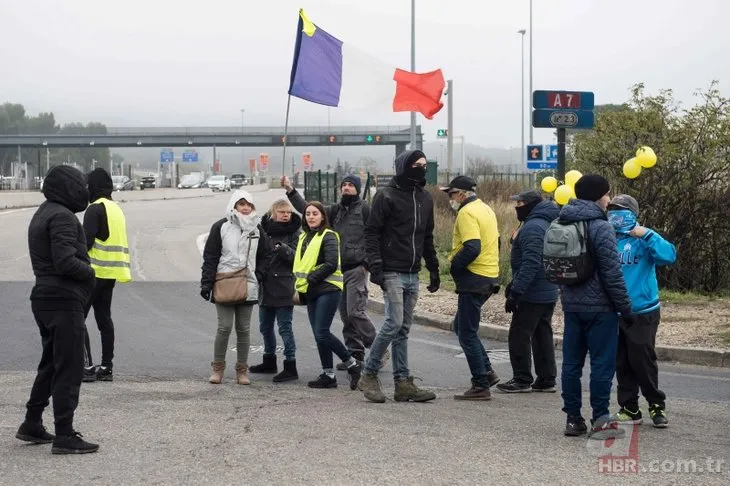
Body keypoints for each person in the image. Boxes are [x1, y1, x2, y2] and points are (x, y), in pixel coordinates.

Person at [17, 165, 99, 454]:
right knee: (69, 367)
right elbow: (65, 262)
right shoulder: (62, 217)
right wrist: (89, 273)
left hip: (45, 297)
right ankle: (65, 434)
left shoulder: (44, 212)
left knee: (51, 364)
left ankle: (31, 422)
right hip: (62, 300)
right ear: (68, 187)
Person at [357, 149, 440, 404]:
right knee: (393, 323)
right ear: (404, 166)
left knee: (403, 329)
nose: (422, 168)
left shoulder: (425, 199)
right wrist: (376, 267)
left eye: (425, 165)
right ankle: (369, 373)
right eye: (417, 164)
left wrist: (434, 268)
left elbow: (427, 236)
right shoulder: (386, 196)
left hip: (413, 272)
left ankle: (402, 382)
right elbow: (372, 233)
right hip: (391, 269)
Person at [557, 174, 634, 440]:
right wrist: (625, 308)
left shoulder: (562, 220)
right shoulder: (601, 227)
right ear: (598, 196)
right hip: (600, 308)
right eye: (607, 194)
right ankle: (600, 420)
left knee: (571, 364)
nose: (609, 199)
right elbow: (612, 273)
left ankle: (572, 419)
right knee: (602, 364)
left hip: (571, 304)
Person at [281, 174, 378, 368]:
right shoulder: (335, 210)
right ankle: (355, 354)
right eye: (344, 185)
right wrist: (291, 191)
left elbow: (375, 235)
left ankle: (377, 349)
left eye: (351, 185)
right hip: (339, 272)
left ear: (358, 189)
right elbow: (309, 210)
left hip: (357, 268)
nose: (347, 188)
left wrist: (368, 263)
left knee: (354, 312)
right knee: (345, 315)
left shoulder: (365, 210)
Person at [607, 194, 676, 428]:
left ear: (632, 214)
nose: (614, 214)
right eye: (612, 209)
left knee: (643, 360)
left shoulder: (643, 238)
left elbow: (669, 256)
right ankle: (629, 407)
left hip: (643, 309)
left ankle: (656, 405)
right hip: (615, 311)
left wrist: (647, 234)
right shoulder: (608, 237)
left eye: (620, 210)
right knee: (622, 361)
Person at [441, 176, 502, 401]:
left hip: (474, 278)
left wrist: (455, 267)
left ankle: (480, 384)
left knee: (466, 332)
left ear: (462, 193)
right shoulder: (485, 209)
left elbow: (472, 246)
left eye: (451, 194)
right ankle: (486, 370)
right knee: (460, 325)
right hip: (488, 274)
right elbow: (496, 242)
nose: (450, 199)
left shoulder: (466, 213)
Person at [293, 201, 362, 389]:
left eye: (315, 213)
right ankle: (328, 375)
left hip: (328, 288)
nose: (311, 217)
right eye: (308, 214)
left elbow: (331, 262)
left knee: (322, 333)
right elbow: (303, 262)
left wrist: (313, 278)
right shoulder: (304, 237)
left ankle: (353, 365)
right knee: (318, 335)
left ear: (323, 216)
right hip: (311, 290)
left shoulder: (329, 235)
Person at [200, 190, 266, 385]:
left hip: (249, 284)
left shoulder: (257, 229)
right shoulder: (220, 227)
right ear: (234, 206)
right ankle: (217, 369)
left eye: (249, 205)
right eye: (241, 204)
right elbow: (210, 256)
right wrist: (206, 283)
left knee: (244, 329)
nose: (245, 208)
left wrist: (259, 274)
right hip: (225, 283)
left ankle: (242, 371)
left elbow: (267, 255)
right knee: (224, 327)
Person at [498, 190, 559, 394]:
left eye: (521, 203)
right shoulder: (544, 222)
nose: (517, 207)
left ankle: (522, 378)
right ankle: (546, 378)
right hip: (548, 288)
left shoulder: (533, 227)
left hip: (533, 291)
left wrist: (516, 291)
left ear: (531, 205)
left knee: (519, 335)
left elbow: (531, 263)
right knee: (542, 334)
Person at [81, 168, 131, 383]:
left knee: (76, 318)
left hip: (92, 273)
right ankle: (107, 367)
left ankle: (86, 366)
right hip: (110, 274)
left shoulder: (94, 209)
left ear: (92, 187)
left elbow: (86, 243)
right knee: (104, 320)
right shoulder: (116, 208)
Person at [249, 199, 301, 382]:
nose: (286, 215)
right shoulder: (263, 229)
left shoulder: (296, 231)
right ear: (273, 213)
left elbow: (299, 258)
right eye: (282, 212)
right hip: (265, 284)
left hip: (285, 286)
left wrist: (283, 249)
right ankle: (269, 361)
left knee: (285, 328)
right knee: (265, 327)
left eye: (288, 212)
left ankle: (290, 365)